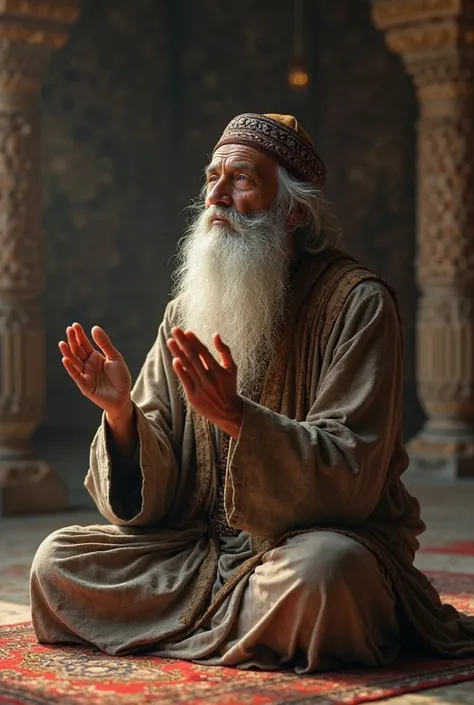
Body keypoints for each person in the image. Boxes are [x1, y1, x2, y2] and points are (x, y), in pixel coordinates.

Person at [31, 113, 474, 671]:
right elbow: (152, 487)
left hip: (299, 552)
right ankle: (249, 631)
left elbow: (354, 471)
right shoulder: (185, 311)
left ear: (293, 209)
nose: (215, 195)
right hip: (197, 558)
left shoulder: (358, 305)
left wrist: (240, 418)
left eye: (241, 179)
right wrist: (120, 413)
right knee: (57, 561)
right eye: (211, 177)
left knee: (326, 575)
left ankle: (218, 625)